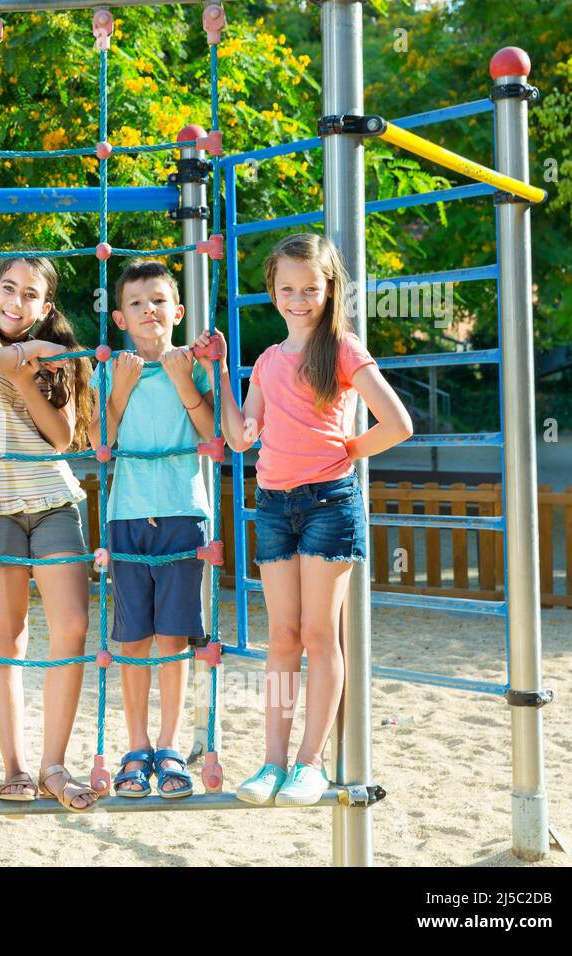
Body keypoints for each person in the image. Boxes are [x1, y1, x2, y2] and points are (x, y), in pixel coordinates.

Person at [205, 233, 412, 806]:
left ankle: (308, 762)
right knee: (282, 638)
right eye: (287, 288)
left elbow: (397, 423)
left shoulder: (342, 350)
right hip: (273, 505)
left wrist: (348, 449)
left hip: (328, 503)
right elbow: (242, 436)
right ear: (272, 290)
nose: (299, 298)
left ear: (329, 291)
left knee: (320, 635)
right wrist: (221, 370)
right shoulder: (269, 361)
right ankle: (271, 762)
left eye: (311, 289)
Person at [0, 257, 98, 811]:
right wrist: (20, 356)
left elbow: (60, 437)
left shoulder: (48, 357)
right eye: (7, 288)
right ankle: (12, 764)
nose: (15, 301)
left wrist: (24, 371)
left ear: (45, 307)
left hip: (52, 498)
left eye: (29, 294)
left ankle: (53, 764)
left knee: (74, 625)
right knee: (7, 637)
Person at [89, 260, 214, 799]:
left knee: (173, 637)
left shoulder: (193, 364)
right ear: (119, 317)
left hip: (184, 511)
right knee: (133, 637)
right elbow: (102, 442)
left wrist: (186, 380)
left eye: (159, 300)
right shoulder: (110, 369)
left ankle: (169, 745)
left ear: (177, 311)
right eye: (137, 303)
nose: (149, 310)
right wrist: (119, 389)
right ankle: (136, 746)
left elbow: (212, 432)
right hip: (127, 516)